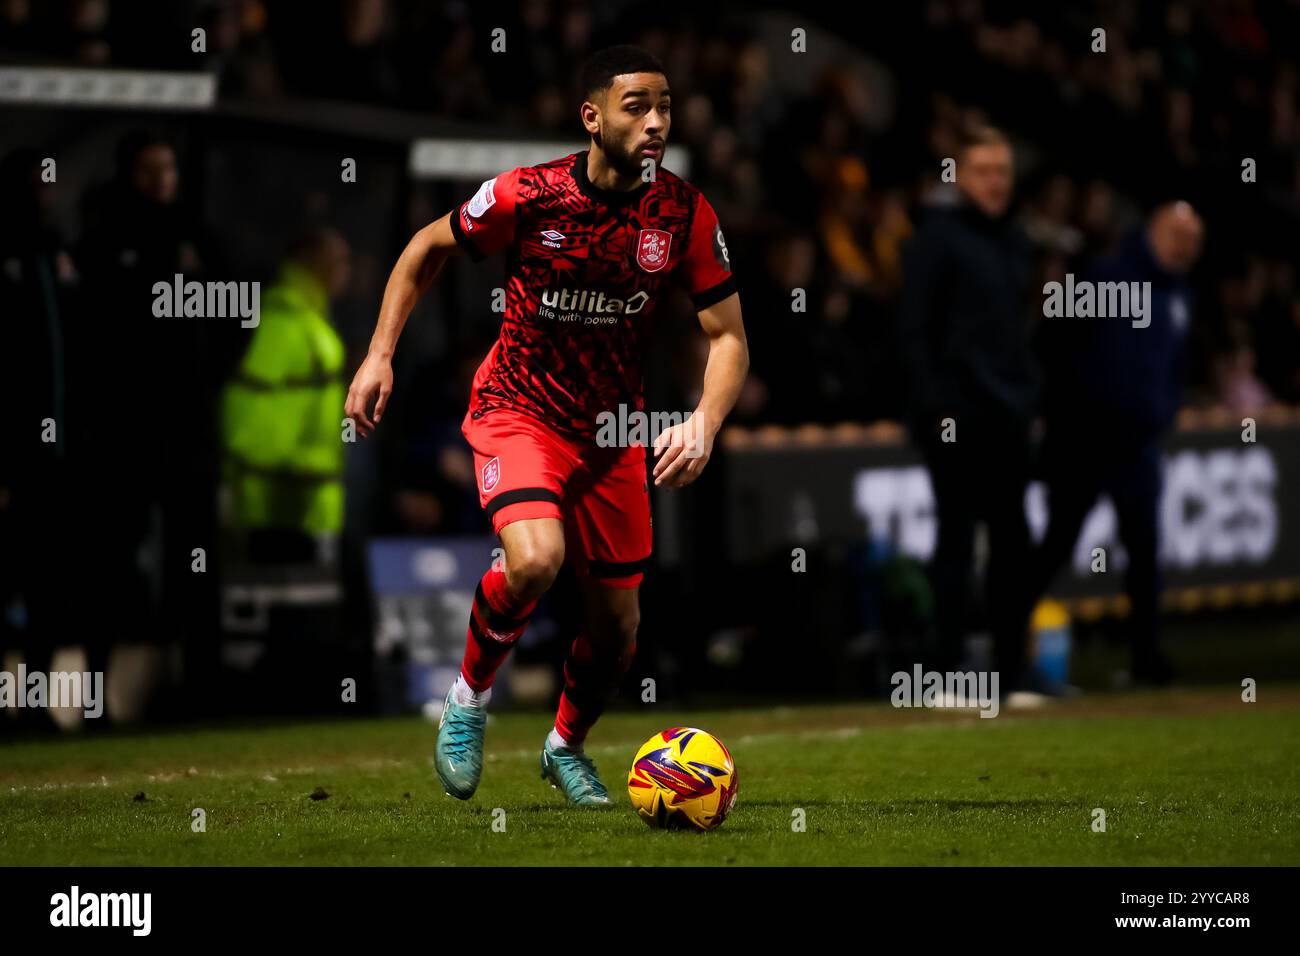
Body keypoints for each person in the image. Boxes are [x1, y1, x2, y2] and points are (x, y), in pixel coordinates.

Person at [345, 45, 748, 805]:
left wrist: (704, 420)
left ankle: (565, 747)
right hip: (519, 410)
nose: (657, 121)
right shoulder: (526, 195)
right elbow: (425, 247)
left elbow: (727, 337)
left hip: (611, 437)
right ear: (591, 117)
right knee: (535, 560)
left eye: (664, 105)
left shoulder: (685, 214)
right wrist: (378, 356)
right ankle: (467, 701)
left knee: (620, 629)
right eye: (638, 106)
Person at [1030, 202, 1204, 685]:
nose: (1184, 244)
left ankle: (1147, 661)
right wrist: (1066, 413)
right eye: (1176, 232)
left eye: (1193, 237)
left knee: (1145, 554)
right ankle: (1004, 647)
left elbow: (1176, 367)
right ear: (1151, 230)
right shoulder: (1106, 278)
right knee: (1056, 544)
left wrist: (1163, 411)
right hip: (1082, 442)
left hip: (1138, 446)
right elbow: (1053, 343)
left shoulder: (1181, 294)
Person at [899, 123, 1038, 692]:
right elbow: (913, 330)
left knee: (1012, 541)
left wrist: (1030, 395)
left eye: (1003, 171)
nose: (996, 182)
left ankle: (1013, 670)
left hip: (1008, 415)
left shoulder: (1015, 241)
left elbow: (1019, 333)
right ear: (958, 176)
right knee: (955, 539)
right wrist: (934, 407)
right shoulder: (936, 239)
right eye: (984, 171)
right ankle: (946, 669)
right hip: (955, 415)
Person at [221, 228, 352, 565]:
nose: (345, 270)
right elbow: (254, 412)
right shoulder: (284, 322)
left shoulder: (306, 317)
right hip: (282, 505)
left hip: (299, 503)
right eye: (338, 260)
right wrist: (291, 472)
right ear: (310, 262)